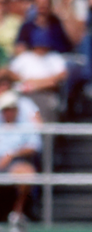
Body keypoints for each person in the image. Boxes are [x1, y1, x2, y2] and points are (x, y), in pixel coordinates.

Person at [0, 90, 41, 219]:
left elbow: (35, 145)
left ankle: (17, 213)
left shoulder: (25, 126)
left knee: (27, 173)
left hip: (16, 163)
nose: (9, 112)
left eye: (12, 108)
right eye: (6, 109)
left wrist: (11, 155)